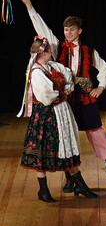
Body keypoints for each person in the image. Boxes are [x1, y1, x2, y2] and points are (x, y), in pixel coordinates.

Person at [20, 0, 106, 191]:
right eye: (65, 29)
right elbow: (41, 27)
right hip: (64, 99)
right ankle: (70, 178)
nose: (67, 33)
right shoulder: (56, 45)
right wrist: (29, 6)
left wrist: (100, 88)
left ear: (79, 30)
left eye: (71, 29)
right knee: (64, 138)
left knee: (96, 133)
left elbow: (104, 68)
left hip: (84, 97)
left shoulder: (88, 50)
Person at [19, 37, 98, 202]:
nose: (52, 53)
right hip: (46, 116)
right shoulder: (37, 72)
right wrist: (63, 93)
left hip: (60, 113)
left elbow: (67, 73)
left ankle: (80, 185)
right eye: (50, 51)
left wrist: (66, 89)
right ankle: (43, 190)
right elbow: (47, 96)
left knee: (66, 146)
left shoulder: (50, 67)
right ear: (45, 53)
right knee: (43, 151)